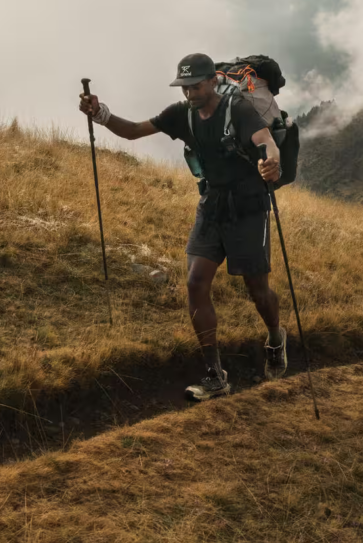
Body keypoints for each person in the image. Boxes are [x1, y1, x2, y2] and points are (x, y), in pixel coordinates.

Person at [79, 52, 287, 401]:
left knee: (258, 291)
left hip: (248, 208)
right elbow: (133, 131)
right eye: (184, 87)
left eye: (195, 86)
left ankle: (276, 337)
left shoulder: (237, 110)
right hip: (212, 206)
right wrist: (100, 114)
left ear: (212, 82)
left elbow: (265, 140)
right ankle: (215, 376)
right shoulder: (181, 114)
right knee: (195, 283)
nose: (189, 93)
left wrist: (272, 162)